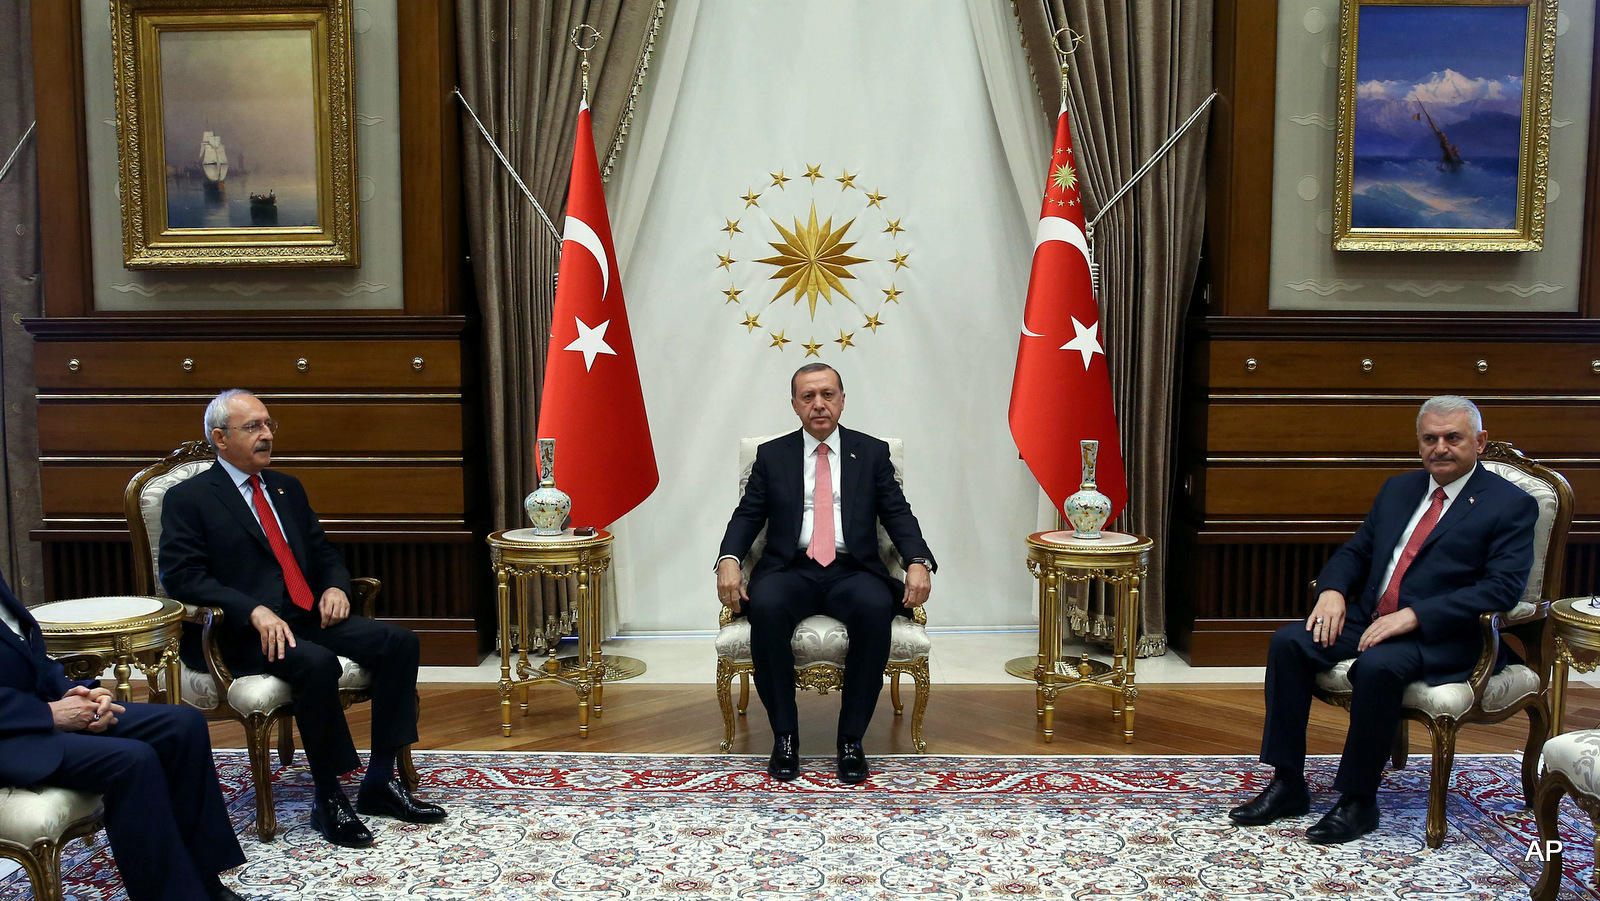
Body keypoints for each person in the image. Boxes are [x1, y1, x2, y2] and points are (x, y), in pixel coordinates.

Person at [1229, 395, 1538, 843]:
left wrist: (1416, 615)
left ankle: (1358, 801)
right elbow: (1357, 551)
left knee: (1377, 667)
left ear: (1480, 442)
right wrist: (1333, 590)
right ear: (1419, 443)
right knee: (1289, 643)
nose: (1441, 448)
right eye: (1430, 439)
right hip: (1370, 617)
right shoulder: (1400, 489)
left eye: (1453, 438)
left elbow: (1502, 589)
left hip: (1443, 633)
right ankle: (1288, 783)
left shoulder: (1510, 504)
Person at [159, 389, 445, 848]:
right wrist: (251, 609)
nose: (267, 435)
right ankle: (328, 798)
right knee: (315, 664)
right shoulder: (188, 498)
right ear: (219, 437)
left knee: (399, 643)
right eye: (253, 427)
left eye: (269, 425)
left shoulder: (286, 488)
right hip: (241, 631)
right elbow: (182, 578)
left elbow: (322, 551)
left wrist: (334, 585)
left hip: (306, 614)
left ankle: (380, 782)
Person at [717, 363, 935, 784]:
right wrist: (728, 558)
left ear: (842, 399)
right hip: (789, 567)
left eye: (828, 394)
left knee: (875, 609)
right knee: (766, 606)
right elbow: (747, 516)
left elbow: (897, 514)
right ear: (795, 405)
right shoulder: (773, 455)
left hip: (852, 569)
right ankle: (785, 738)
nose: (819, 404)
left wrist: (918, 561)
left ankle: (851, 741)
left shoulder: (870, 452)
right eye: (808, 396)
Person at [0, 569, 251, 901]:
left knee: (182, 725)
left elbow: (31, 656)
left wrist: (81, 693)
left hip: (33, 713)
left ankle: (203, 877)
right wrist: (48, 715)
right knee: (132, 759)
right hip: (12, 737)